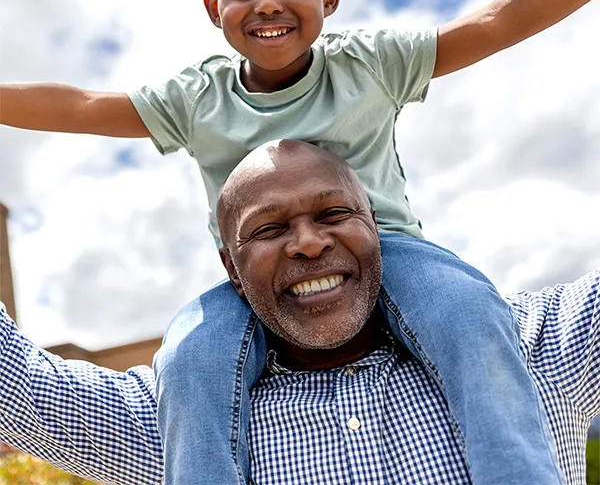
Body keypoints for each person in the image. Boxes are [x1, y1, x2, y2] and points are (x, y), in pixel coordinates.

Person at [1, 0, 599, 485]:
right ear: (214, 8)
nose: (267, 2)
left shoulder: (370, 66)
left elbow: (495, 23)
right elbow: (80, 105)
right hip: (254, 288)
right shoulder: (196, 100)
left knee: (469, 315)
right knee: (187, 357)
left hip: (395, 252)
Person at [0, 140, 599, 485]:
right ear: (230, 267)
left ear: (376, 227)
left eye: (334, 215)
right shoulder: (185, 413)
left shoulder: (532, 346)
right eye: (269, 228)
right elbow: (17, 385)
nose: (309, 243)